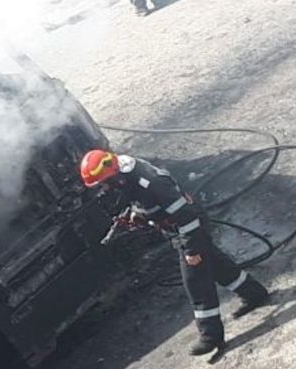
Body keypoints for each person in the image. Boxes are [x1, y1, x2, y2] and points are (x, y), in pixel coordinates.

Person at [80, 149, 270, 356]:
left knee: (196, 281)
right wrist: (137, 215)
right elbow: (144, 201)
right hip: (174, 229)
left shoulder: (151, 181)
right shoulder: (127, 175)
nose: (104, 188)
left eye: (104, 182)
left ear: (113, 173)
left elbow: (186, 216)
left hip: (189, 230)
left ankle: (211, 337)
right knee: (217, 265)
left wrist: (192, 249)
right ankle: (255, 293)